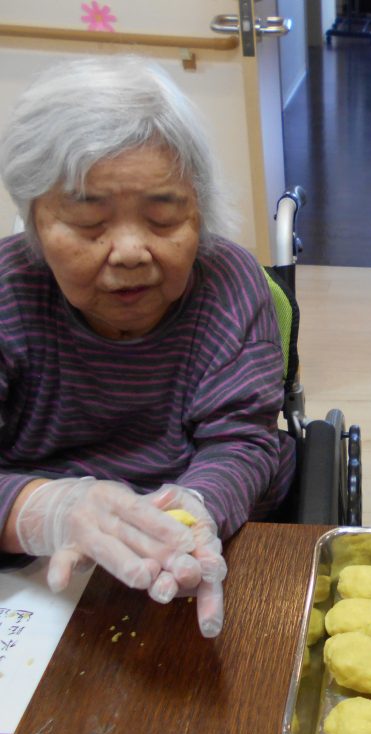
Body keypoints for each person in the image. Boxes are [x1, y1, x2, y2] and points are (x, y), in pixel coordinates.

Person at [0, 56, 295, 637]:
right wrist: (43, 510)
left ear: (199, 210)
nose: (131, 251)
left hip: (199, 557)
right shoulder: (8, 293)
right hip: (35, 577)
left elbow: (241, 440)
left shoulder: (229, 285)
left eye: (163, 217)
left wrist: (196, 509)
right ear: (35, 221)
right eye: (89, 223)